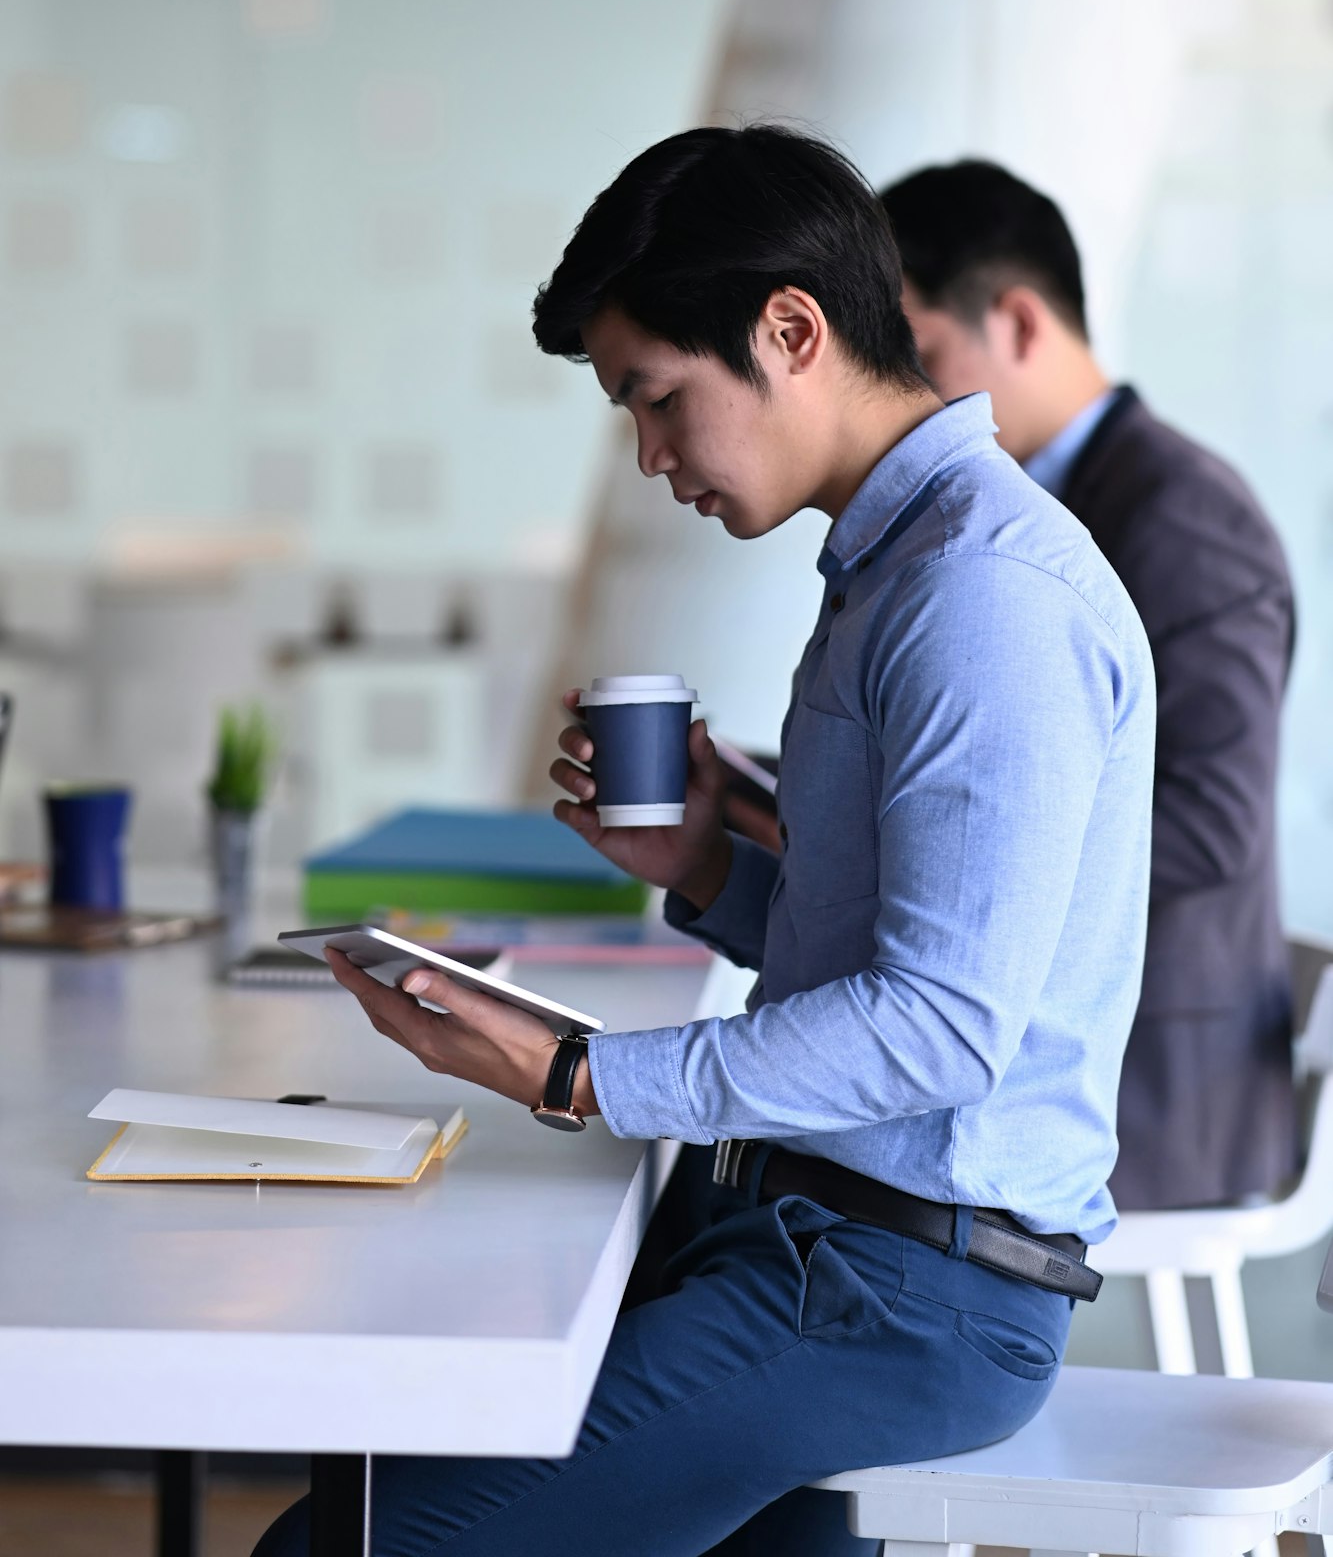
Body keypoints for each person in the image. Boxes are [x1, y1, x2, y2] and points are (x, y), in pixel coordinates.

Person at [256, 125, 1154, 1557]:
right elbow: (885, 953)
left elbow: (940, 1031)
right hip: (826, 1248)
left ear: (788, 331)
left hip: (894, 1300)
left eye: (657, 397)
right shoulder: (897, 565)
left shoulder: (980, 597)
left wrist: (571, 1070)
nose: (650, 454)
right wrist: (708, 872)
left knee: (347, 1544)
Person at [883, 158, 1297, 1211]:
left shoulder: (1181, 518)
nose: (903, 400)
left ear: (1018, 320)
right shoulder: (1031, 511)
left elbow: (1210, 822)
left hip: (1154, 1087)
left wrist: (961, 848)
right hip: (1061, 1049)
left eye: (918, 353)